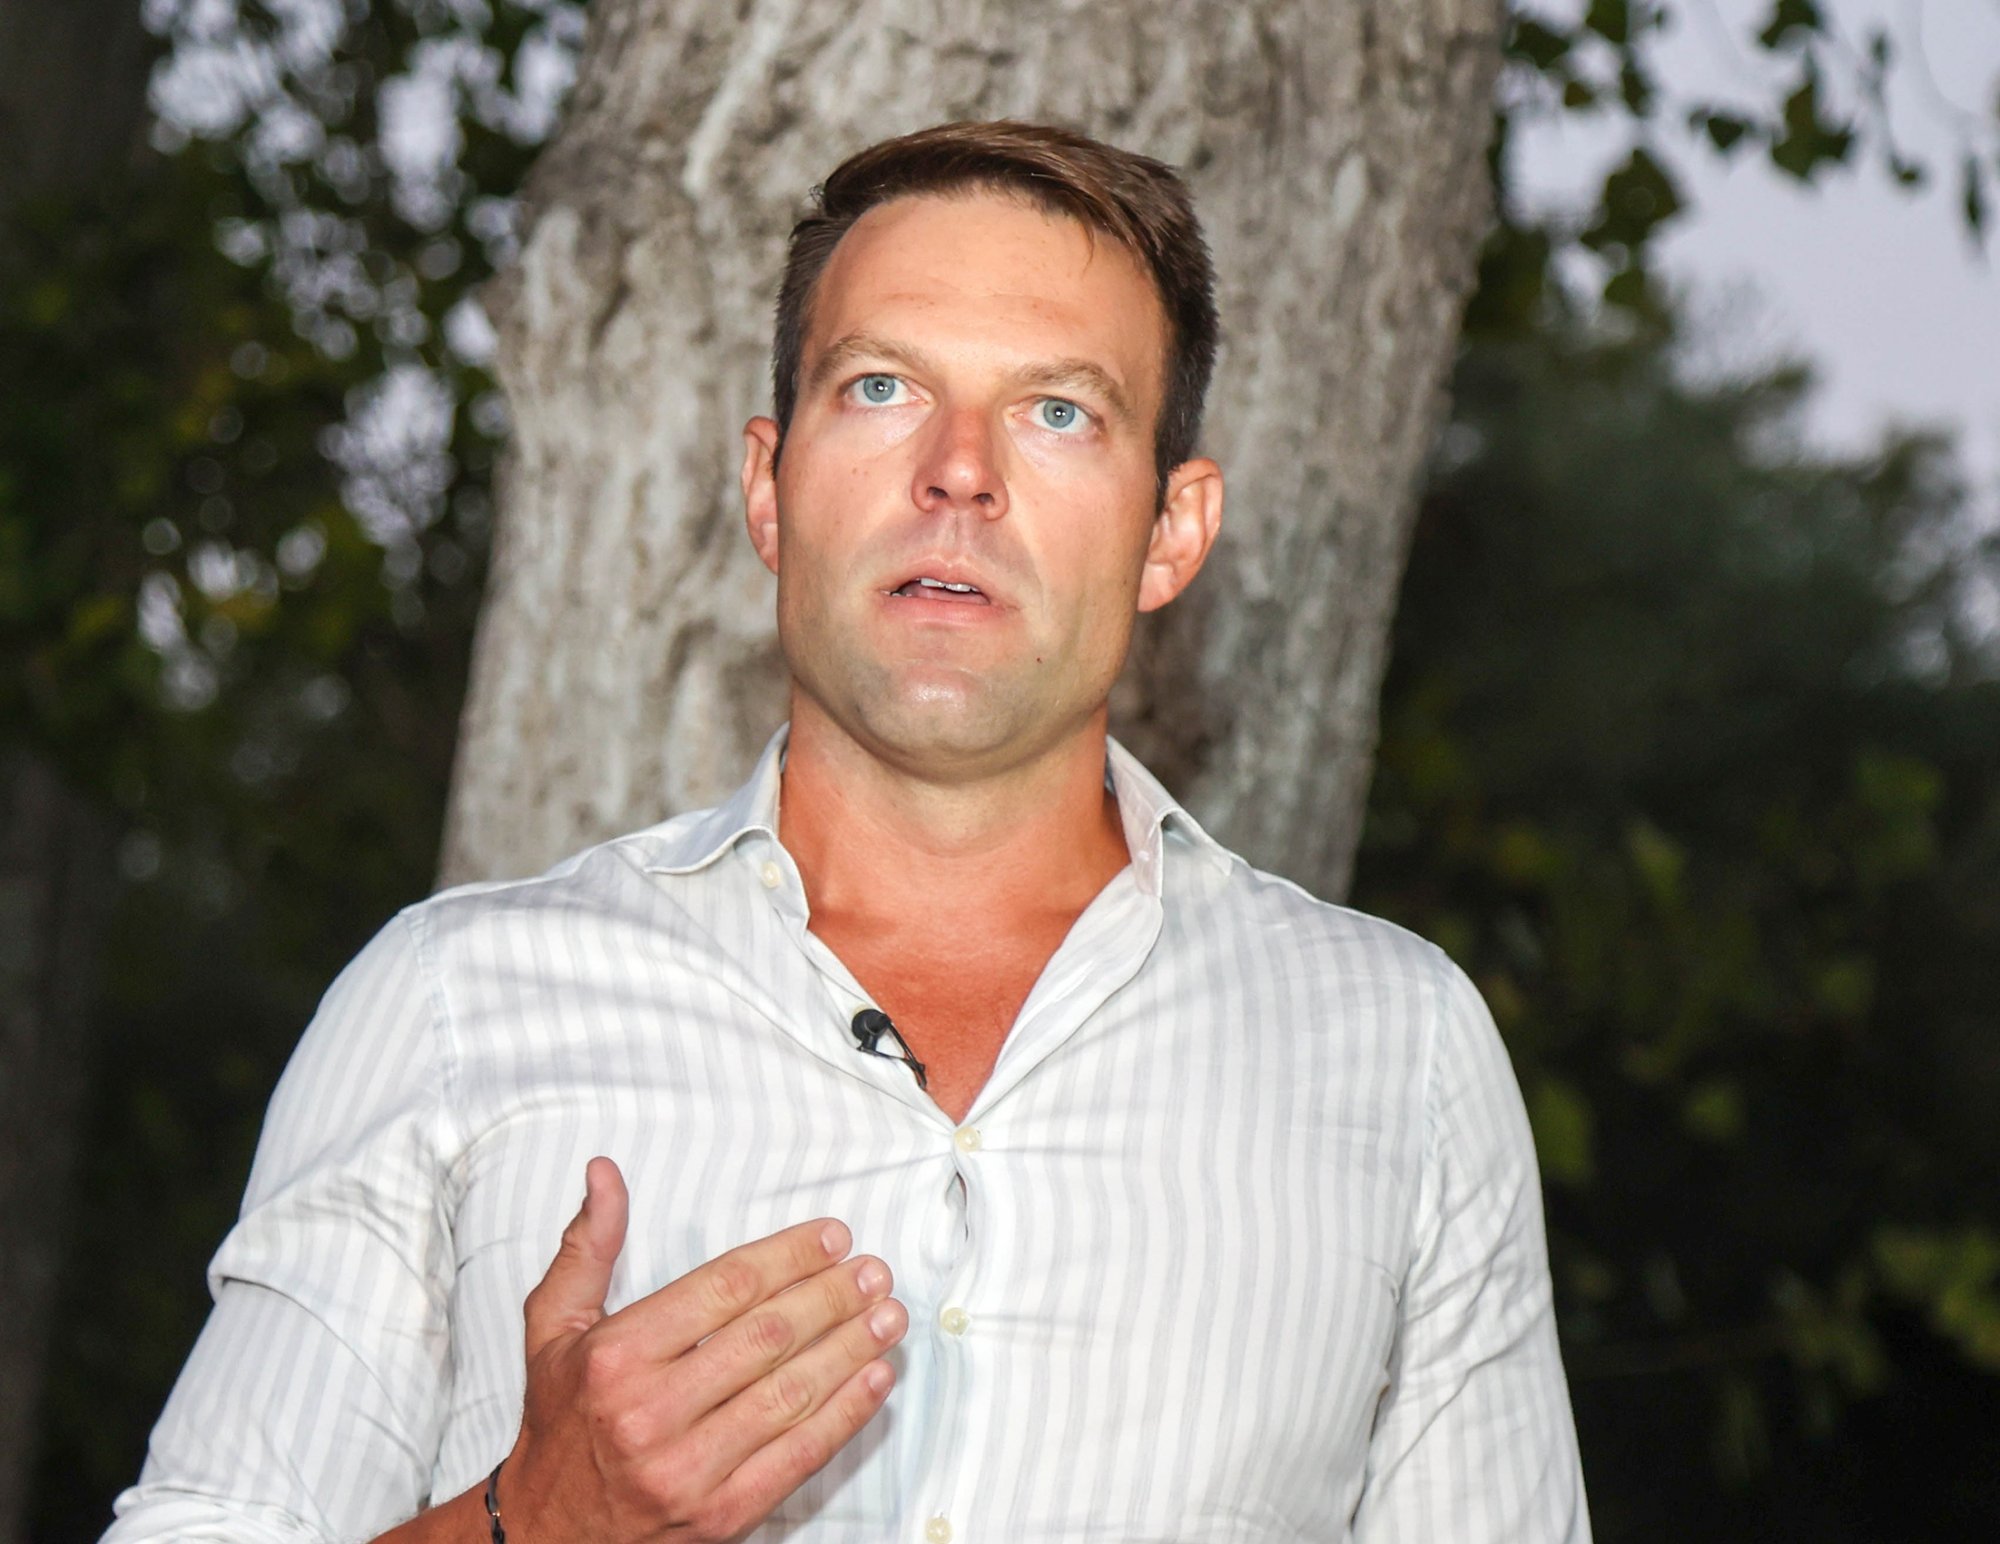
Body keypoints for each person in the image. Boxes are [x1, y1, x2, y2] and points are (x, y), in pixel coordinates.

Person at [105, 120, 1589, 1544]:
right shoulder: (449, 1004)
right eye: (882, 387)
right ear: (769, 487)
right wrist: (533, 1527)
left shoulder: (1398, 1053)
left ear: (1171, 532)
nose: (961, 468)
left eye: (1059, 412)